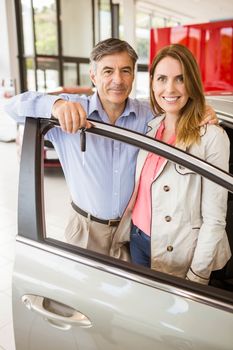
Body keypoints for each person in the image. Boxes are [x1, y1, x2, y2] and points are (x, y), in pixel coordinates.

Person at [5, 38, 218, 260]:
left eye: (125, 71)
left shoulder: (149, 115)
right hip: (86, 230)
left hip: (131, 233)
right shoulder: (72, 110)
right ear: (93, 75)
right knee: (83, 293)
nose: (118, 80)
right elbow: (11, 107)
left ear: (134, 76)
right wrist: (55, 105)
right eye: (108, 71)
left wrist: (205, 110)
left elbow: (179, 108)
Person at [117, 43, 231, 284]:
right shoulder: (150, 126)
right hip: (138, 239)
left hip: (179, 251)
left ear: (192, 83)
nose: (170, 88)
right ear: (152, 84)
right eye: (162, 79)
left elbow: (215, 219)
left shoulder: (211, 137)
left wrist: (197, 276)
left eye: (180, 79)